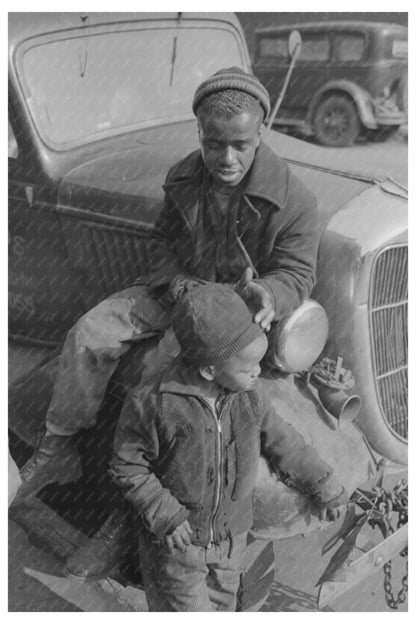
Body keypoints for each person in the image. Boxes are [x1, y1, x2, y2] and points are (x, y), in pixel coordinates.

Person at [14, 67, 320, 579]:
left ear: (261, 132)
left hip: (236, 313)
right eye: (214, 143)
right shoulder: (182, 177)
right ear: (199, 133)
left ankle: (129, 510)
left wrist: (270, 291)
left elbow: (298, 272)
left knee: (168, 383)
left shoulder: (295, 200)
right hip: (179, 293)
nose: (227, 158)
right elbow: (162, 246)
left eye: (240, 144)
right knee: (89, 333)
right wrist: (176, 284)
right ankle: (60, 447)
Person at [109, 282, 347, 612]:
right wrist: (164, 512)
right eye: (248, 367)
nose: (258, 372)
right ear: (210, 369)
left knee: (225, 608)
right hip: (179, 545)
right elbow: (128, 465)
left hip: (231, 542)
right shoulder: (153, 403)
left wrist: (323, 483)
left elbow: (284, 441)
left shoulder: (251, 395)